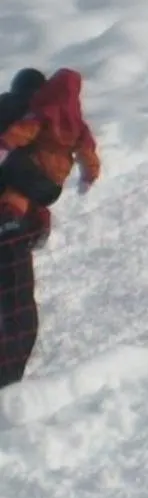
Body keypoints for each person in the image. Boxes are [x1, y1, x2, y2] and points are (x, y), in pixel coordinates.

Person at [0, 67, 51, 389]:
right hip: (10, 228)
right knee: (18, 309)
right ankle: (7, 386)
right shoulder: (32, 125)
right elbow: (42, 185)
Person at [0, 68, 99, 233]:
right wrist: (89, 176)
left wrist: (5, 144)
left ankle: (9, 217)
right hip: (54, 184)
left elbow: (26, 130)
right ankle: (38, 221)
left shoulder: (44, 111)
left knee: (13, 185)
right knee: (26, 194)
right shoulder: (79, 125)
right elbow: (88, 153)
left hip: (33, 167)